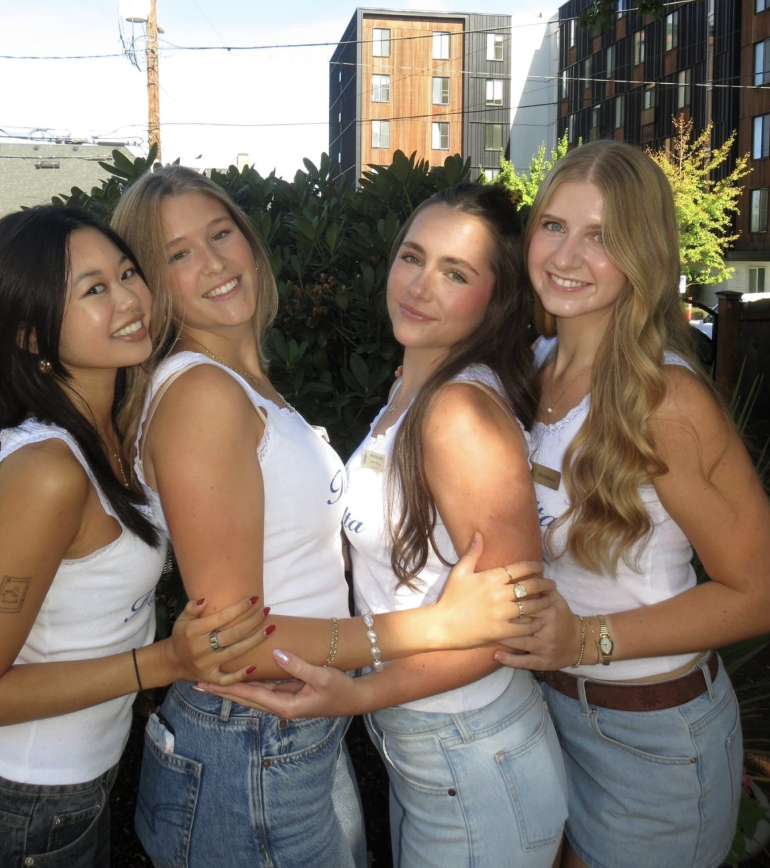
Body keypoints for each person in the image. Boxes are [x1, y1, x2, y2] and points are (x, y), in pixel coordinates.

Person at [110, 168, 556, 868]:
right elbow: (231, 642)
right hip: (256, 736)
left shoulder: (253, 386)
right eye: (178, 254)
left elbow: (510, 608)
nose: (215, 263)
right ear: (150, 282)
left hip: (318, 731)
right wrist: (433, 626)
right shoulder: (204, 395)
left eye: (221, 234)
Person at [0, 206, 268, 868]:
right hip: (18, 811)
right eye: (93, 290)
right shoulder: (47, 472)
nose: (129, 300)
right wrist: (165, 663)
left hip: (62, 797)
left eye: (127, 273)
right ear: (30, 333)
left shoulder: (112, 432)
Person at [488, 140, 770, 868]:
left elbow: (759, 593)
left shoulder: (663, 400)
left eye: (602, 236)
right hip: (547, 710)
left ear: (643, 253)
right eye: (554, 226)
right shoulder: (535, 365)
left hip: (653, 742)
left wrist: (584, 641)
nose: (566, 256)